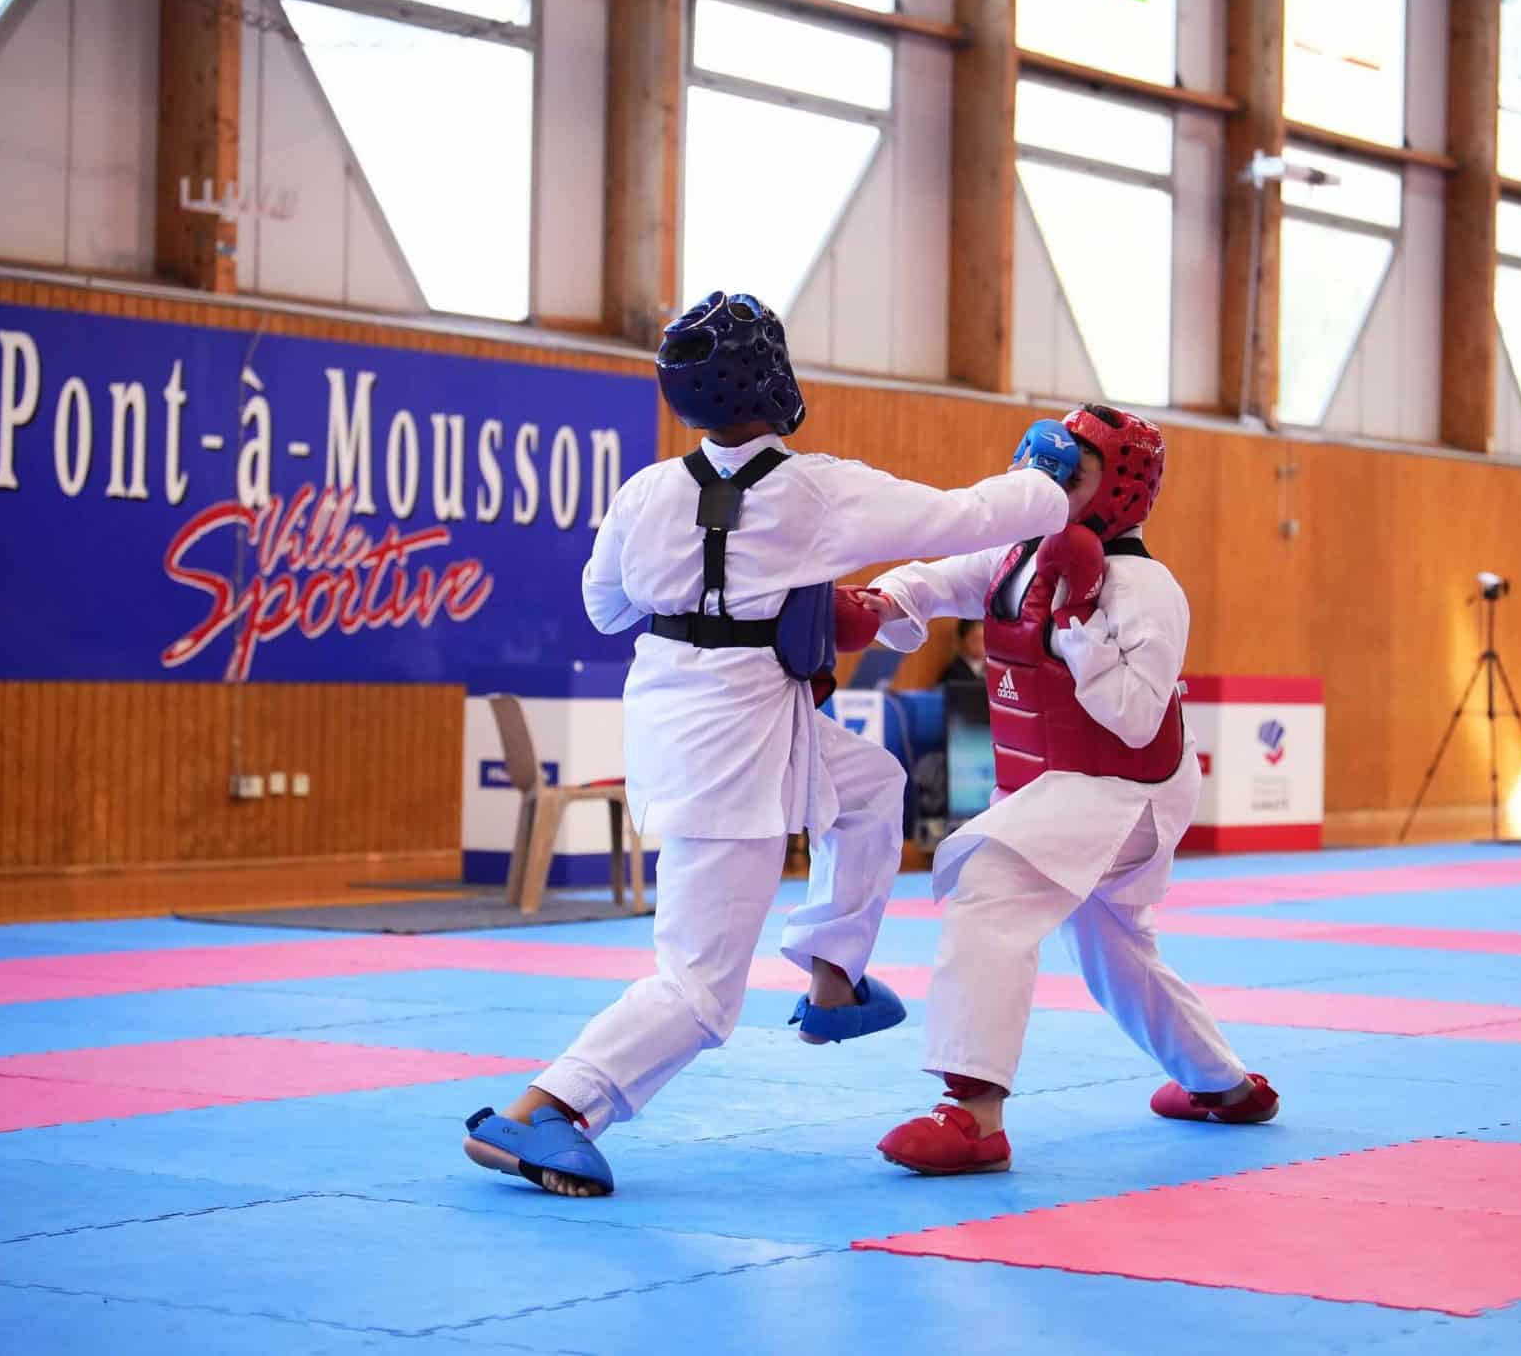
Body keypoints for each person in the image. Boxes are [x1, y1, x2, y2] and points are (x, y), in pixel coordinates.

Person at [461, 292, 1071, 1196]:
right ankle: (549, 1108)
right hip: (735, 746)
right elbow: (962, 517)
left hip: (691, 714)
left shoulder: (645, 492)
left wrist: (709, 590)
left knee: (871, 786)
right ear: (774, 379)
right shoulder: (811, 489)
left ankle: (834, 975)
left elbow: (604, 608)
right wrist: (1048, 482)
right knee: (700, 991)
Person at [854, 406, 1279, 1176]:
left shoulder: (1147, 587)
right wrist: (882, 602)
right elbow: (943, 578)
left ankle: (974, 1113)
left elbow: (1134, 715)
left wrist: (1078, 622)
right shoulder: (1021, 554)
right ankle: (1225, 1084)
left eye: (1071, 473)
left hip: (1124, 790)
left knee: (993, 883)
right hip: (1056, 788)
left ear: (1117, 489)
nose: (1046, 480)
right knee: (1112, 947)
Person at [939, 620, 987, 685]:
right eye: (975, 639)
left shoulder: (991, 669)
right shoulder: (953, 673)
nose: (981, 645)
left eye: (985, 639)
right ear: (962, 640)